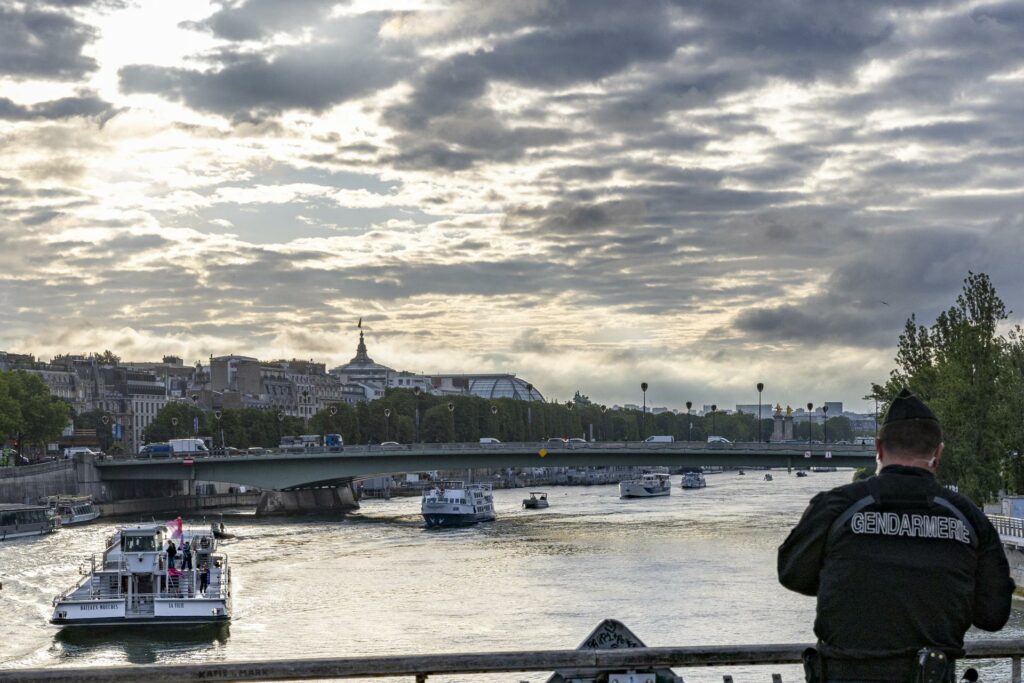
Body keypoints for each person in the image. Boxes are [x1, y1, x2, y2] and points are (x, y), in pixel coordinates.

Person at [778, 388, 1014, 682]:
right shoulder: (968, 517)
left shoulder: (836, 507)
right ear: (938, 453)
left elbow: (792, 573)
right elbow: (993, 615)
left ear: (878, 448)